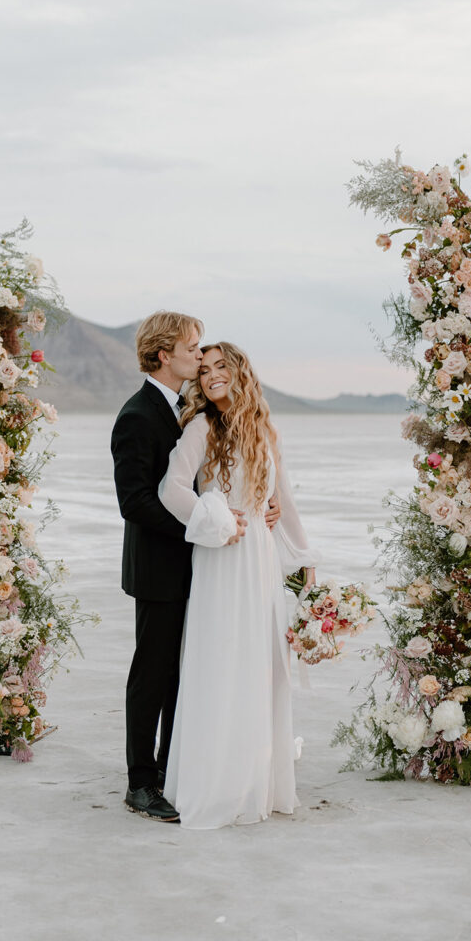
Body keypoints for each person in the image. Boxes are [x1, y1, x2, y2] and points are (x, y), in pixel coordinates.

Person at [111, 314, 281, 823]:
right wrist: (211, 522)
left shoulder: (183, 409)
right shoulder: (138, 415)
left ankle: (172, 768)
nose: (197, 355)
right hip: (161, 568)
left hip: (203, 568)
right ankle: (141, 782)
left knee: (187, 676)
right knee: (153, 674)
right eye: (190, 348)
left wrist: (259, 506)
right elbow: (136, 501)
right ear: (165, 355)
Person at [158, 341, 318, 829]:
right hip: (223, 559)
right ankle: (217, 781)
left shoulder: (266, 429)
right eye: (203, 371)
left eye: (220, 367)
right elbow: (171, 490)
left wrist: (304, 553)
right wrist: (218, 519)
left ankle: (255, 779)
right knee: (222, 659)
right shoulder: (203, 427)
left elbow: (282, 496)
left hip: (263, 560)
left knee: (260, 663)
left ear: (240, 371)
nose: (210, 377)